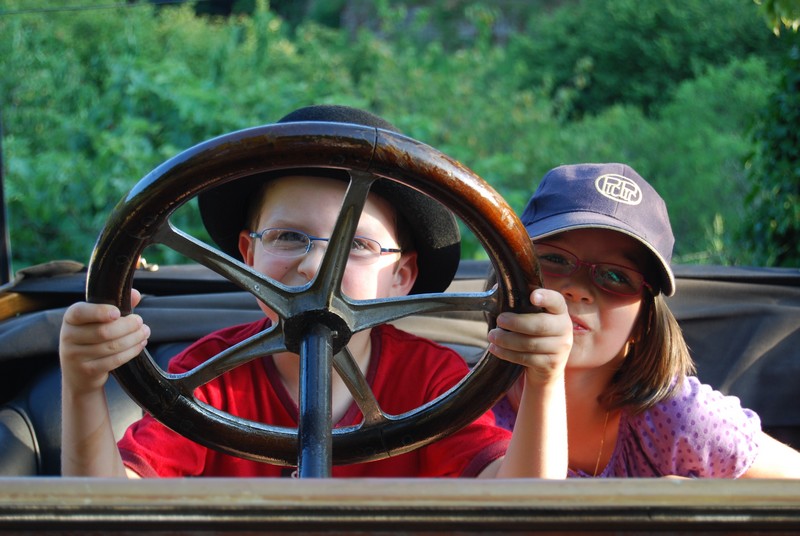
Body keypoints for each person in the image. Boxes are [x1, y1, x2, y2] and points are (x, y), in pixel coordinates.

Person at [59, 104, 514, 478]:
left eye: (356, 244)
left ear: (402, 275)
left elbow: (516, 506)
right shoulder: (209, 376)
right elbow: (114, 509)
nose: (314, 266)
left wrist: (544, 379)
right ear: (247, 256)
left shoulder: (432, 381)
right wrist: (83, 386)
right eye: (289, 237)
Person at [488, 162, 800, 478]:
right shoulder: (469, 405)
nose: (579, 289)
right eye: (555, 259)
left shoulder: (681, 418)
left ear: (644, 321)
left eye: (616, 276)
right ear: (510, 271)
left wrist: (705, 504)